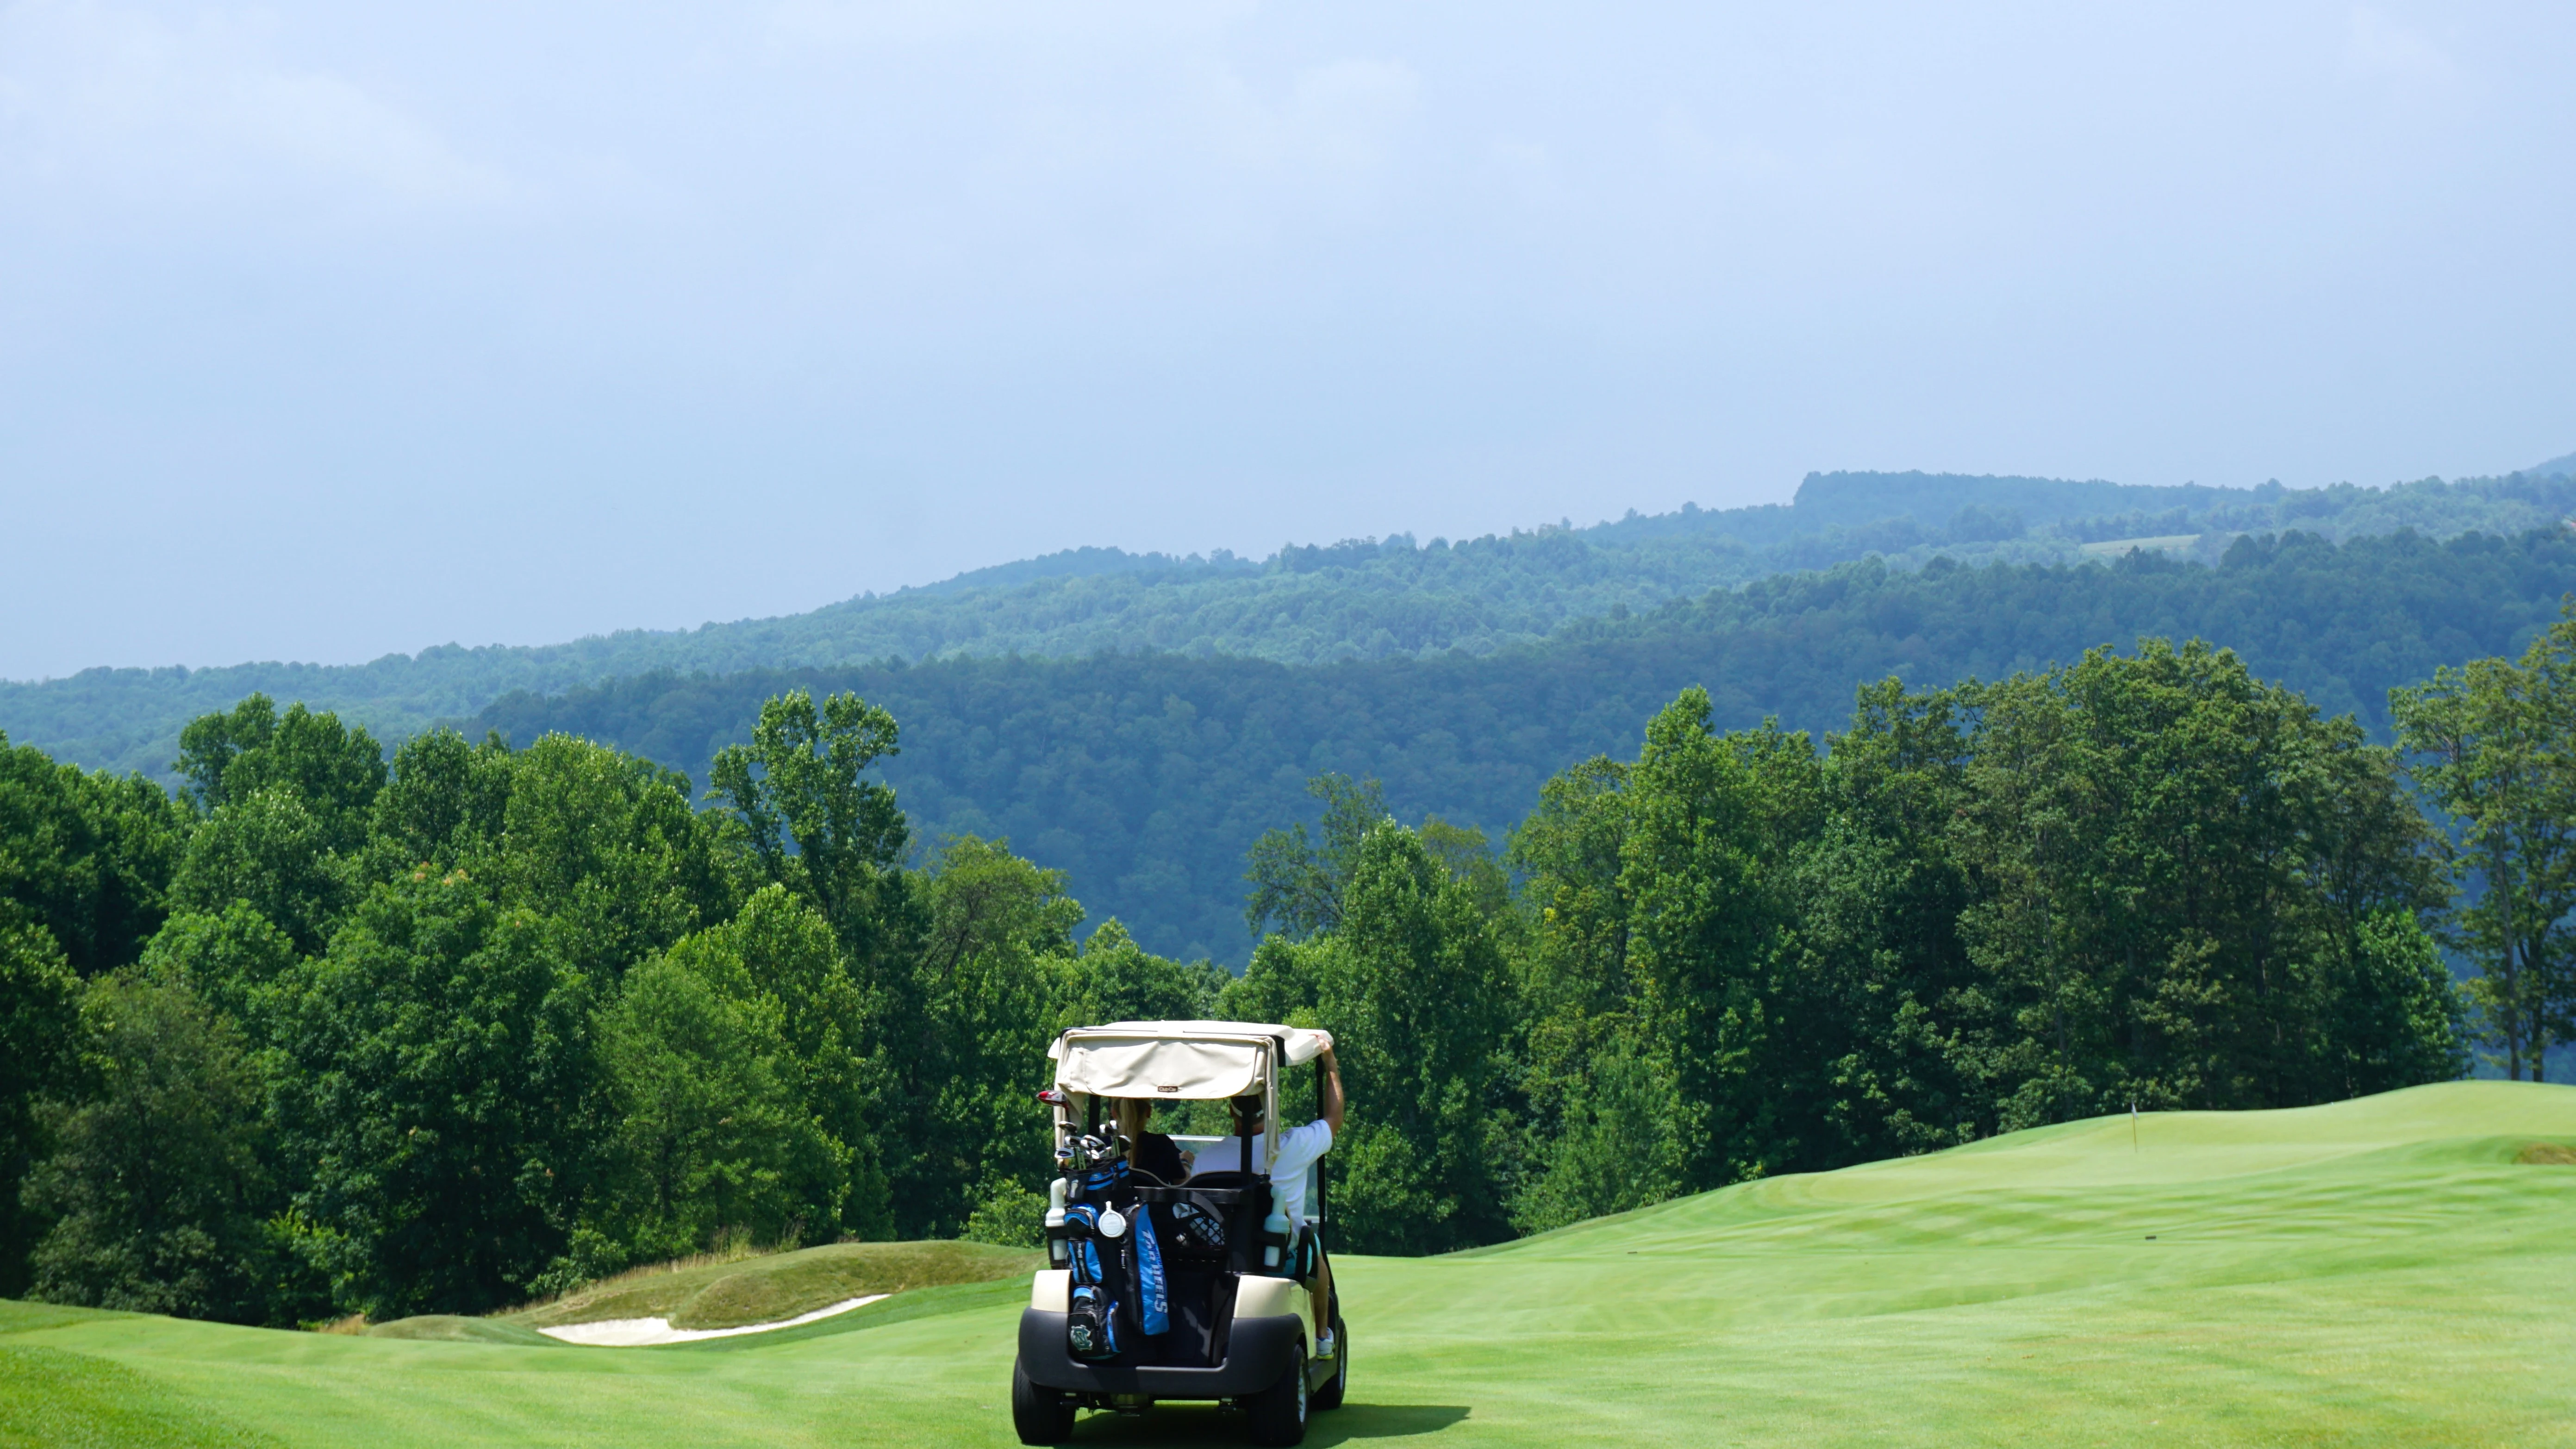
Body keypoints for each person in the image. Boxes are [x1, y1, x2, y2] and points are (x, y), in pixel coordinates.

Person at [1204, 1047, 1343, 1357]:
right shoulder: (1292, 1147)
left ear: (1231, 1110)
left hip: (1218, 1256)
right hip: (1275, 1257)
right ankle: (1322, 1335)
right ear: (1270, 1109)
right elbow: (1334, 1118)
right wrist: (1330, 1065)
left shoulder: (1206, 1159)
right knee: (1313, 1245)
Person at [1115, 1098, 1191, 1186]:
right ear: (1149, 1111)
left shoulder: (1108, 1147)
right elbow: (1183, 1186)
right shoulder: (1162, 1145)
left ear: (1114, 1113)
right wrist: (1185, 1162)